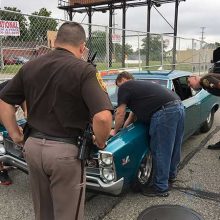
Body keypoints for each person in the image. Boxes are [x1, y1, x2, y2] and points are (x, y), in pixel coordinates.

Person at [0, 21, 113, 220]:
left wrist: (16, 135)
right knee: (68, 214)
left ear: (54, 42)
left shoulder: (30, 66)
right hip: (65, 153)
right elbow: (103, 117)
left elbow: (4, 101)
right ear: (82, 47)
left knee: (43, 211)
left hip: (32, 147)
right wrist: (101, 141)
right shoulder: (84, 70)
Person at [110, 71, 185, 197]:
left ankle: (160, 187)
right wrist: (123, 130)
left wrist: (114, 131)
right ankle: (171, 176)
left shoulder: (125, 87)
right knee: (174, 146)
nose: (119, 89)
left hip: (164, 112)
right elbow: (132, 115)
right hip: (178, 107)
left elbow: (120, 113)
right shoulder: (141, 89)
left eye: (119, 85)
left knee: (161, 150)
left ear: (125, 80)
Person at [188, 73, 220, 152]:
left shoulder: (205, 80)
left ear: (195, 78)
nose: (189, 85)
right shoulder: (204, 84)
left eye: (189, 82)